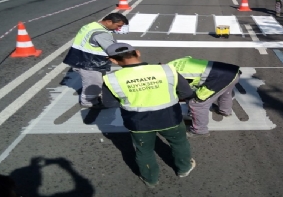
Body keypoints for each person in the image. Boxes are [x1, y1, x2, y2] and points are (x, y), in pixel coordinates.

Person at [102, 43, 197, 188]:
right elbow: (187, 93)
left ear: (113, 60)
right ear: (137, 53)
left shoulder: (112, 79)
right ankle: (183, 169)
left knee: (144, 151)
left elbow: (110, 104)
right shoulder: (166, 69)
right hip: (170, 117)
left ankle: (150, 179)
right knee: (179, 143)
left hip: (138, 122)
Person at [63, 13, 128, 109]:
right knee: (94, 83)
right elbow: (112, 49)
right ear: (109, 21)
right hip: (89, 63)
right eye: (118, 25)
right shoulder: (101, 34)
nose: (118, 28)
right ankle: (89, 102)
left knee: (96, 81)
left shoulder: (91, 26)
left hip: (79, 58)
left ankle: (93, 97)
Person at [167, 56, 241, 138]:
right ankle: (225, 111)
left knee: (196, 104)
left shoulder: (172, 76)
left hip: (219, 78)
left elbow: (186, 92)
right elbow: (189, 58)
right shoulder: (172, 63)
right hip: (232, 72)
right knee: (225, 92)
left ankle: (200, 131)